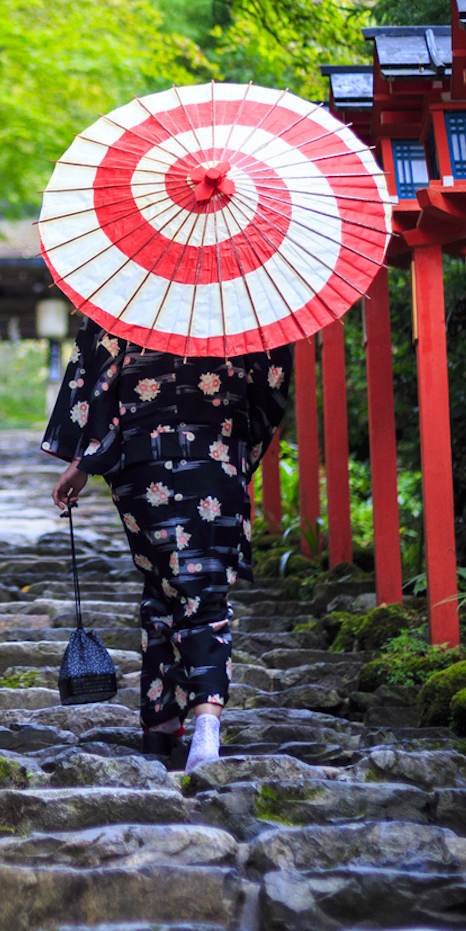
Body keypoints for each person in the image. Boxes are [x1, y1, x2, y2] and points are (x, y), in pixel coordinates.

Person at [42, 314, 294, 771]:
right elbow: (270, 385)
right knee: (203, 588)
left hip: (143, 461)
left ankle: (161, 723)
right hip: (216, 457)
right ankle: (205, 725)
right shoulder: (245, 307)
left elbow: (100, 375)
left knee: (163, 582)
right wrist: (239, 441)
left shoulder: (128, 298)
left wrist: (85, 459)